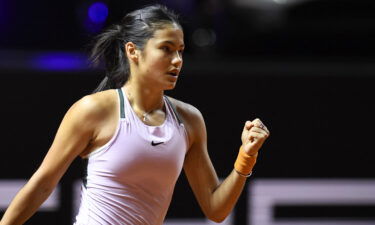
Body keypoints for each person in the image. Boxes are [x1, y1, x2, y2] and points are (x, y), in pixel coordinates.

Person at [0, 4, 269, 225]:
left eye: (180, 51)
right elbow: (43, 184)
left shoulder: (189, 120)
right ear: (133, 51)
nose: (177, 60)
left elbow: (215, 209)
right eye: (166, 49)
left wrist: (246, 157)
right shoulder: (94, 110)